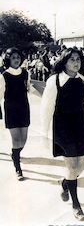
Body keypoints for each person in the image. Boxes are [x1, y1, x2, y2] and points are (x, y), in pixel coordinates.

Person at [40, 48, 84, 221]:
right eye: (72, 59)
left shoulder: (83, 80)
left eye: (78, 59)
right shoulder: (54, 81)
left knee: (81, 167)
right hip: (63, 126)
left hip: (80, 124)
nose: (76, 63)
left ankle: (65, 183)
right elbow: (46, 107)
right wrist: (45, 132)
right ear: (64, 62)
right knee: (72, 167)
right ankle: (76, 205)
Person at [0, 47, 31, 181]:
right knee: (16, 139)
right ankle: (18, 168)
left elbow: (29, 88)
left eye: (18, 57)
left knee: (23, 140)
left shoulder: (25, 73)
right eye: (13, 58)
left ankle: (15, 154)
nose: (16, 60)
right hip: (11, 109)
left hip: (24, 108)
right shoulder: (4, 76)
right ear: (8, 60)